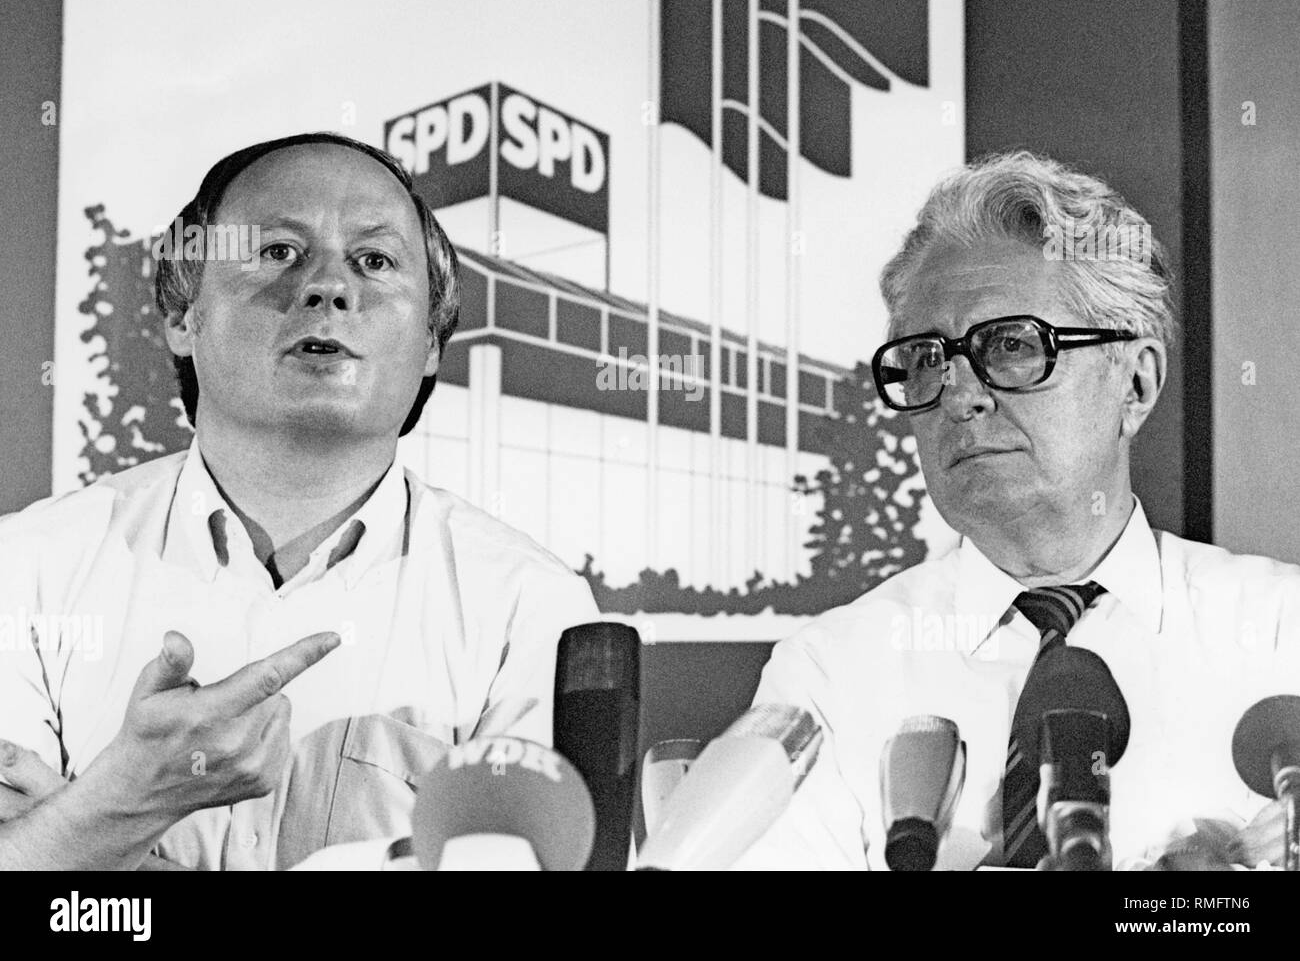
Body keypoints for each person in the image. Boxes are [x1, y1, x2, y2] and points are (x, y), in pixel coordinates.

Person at [0, 133, 598, 870]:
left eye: (374, 261)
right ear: (183, 316)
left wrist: (91, 827)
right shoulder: (23, 572)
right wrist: (118, 807)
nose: (329, 289)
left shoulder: (529, 611)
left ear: (433, 343)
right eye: (279, 251)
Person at [736, 150, 1300, 870]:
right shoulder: (830, 677)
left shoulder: (1284, 636)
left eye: (1010, 345)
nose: (960, 395)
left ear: (1136, 384)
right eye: (926, 359)